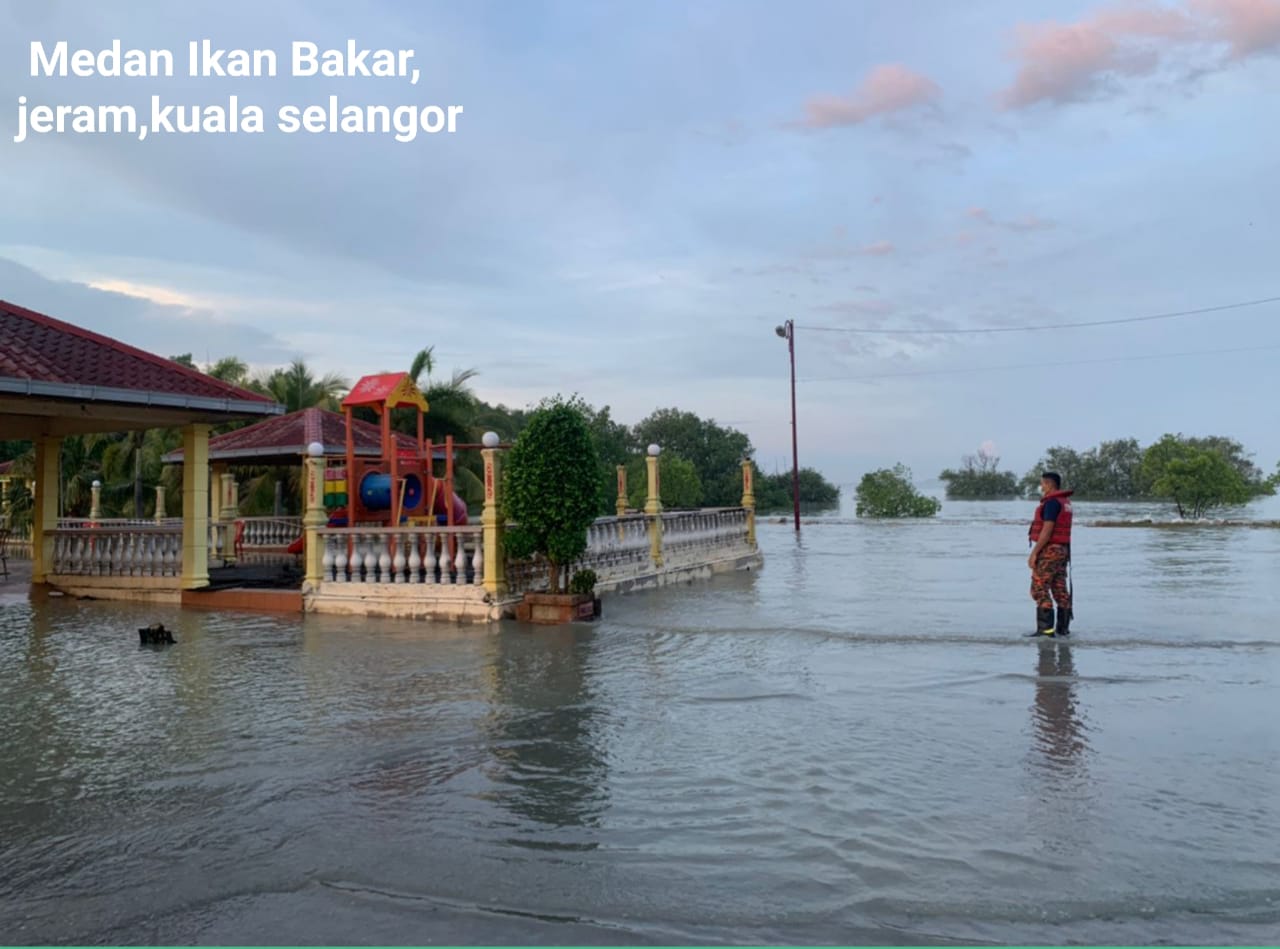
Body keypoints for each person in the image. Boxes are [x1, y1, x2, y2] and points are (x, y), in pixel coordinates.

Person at [1027, 471, 1073, 637]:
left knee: (1039, 588)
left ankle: (1045, 631)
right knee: (1060, 589)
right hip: (1062, 551)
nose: (1042, 488)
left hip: (1050, 550)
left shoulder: (1052, 503)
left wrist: (1034, 553)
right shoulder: (1064, 502)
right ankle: (1063, 630)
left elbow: (1047, 530)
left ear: (1049, 484)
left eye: (1043, 484)